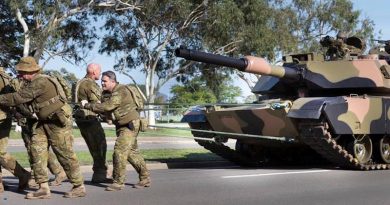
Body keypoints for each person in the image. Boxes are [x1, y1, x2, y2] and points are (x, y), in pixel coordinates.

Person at [0, 57, 85, 199]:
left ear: (30, 71)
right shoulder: (31, 82)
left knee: (64, 153)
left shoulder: (40, 81)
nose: (19, 76)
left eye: (22, 72)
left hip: (57, 121)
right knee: (36, 150)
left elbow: (18, 98)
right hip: (42, 121)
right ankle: (43, 188)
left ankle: (78, 186)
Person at [82, 71, 150, 191]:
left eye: (105, 81)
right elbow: (106, 110)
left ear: (113, 81)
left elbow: (108, 106)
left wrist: (88, 105)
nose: (102, 83)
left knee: (119, 151)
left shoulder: (121, 91)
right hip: (122, 125)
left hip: (130, 125)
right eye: (101, 80)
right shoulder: (109, 93)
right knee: (131, 153)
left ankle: (118, 182)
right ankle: (145, 178)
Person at [73, 63, 108, 183]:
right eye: (99, 71)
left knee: (93, 146)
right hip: (89, 118)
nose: (100, 74)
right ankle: (100, 175)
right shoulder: (89, 84)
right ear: (93, 72)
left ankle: (99, 174)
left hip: (81, 119)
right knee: (100, 146)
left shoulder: (79, 82)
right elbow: (98, 102)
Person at [0, 67, 31, 192]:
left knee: (0, 153)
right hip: (4, 117)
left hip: (1, 118)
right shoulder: (5, 76)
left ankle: (23, 174)